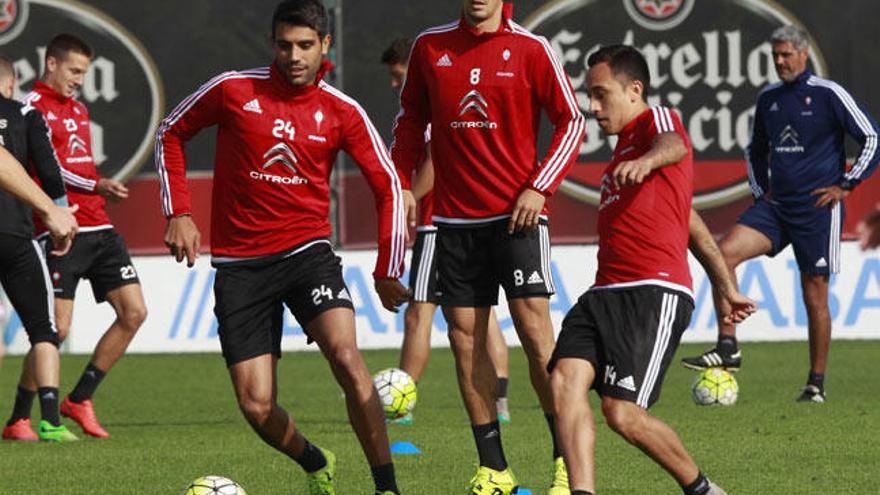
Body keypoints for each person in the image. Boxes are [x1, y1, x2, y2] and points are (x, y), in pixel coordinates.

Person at [156, 2, 408, 494]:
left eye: (306, 46)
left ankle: (386, 488)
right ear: (274, 44)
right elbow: (171, 131)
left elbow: (389, 187)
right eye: (285, 45)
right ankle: (316, 461)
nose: (295, 56)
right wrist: (178, 212)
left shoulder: (341, 110)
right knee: (256, 406)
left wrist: (387, 266)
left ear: (325, 46)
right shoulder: (233, 89)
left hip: (306, 255)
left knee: (346, 357)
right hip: (240, 267)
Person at [391, 1, 586, 493]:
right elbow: (411, 121)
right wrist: (397, 187)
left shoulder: (531, 48)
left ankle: (565, 462)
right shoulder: (429, 47)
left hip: (517, 219)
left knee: (536, 335)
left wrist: (540, 185)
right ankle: (494, 467)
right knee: (466, 340)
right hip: (454, 222)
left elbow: (571, 122)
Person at [548, 44, 757, 495]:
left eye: (601, 94)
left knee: (621, 414)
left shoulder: (655, 122)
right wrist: (727, 286)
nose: (593, 107)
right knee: (564, 378)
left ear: (634, 90)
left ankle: (702, 488)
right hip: (603, 292)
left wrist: (645, 160)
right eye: (590, 96)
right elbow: (694, 226)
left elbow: (674, 144)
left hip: (652, 292)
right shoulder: (623, 151)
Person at [681, 25, 880, 403]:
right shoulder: (769, 98)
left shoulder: (828, 94)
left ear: (803, 54)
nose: (780, 61)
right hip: (776, 207)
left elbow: (872, 136)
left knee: (814, 295)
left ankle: (815, 384)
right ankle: (728, 346)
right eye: (775, 55)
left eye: (786, 54)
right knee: (723, 255)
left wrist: (847, 184)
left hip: (818, 208)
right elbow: (755, 150)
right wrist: (760, 193)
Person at [5, 34, 148, 439]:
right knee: (57, 330)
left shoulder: (80, 110)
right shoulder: (29, 109)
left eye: (85, 73)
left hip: (99, 227)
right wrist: (96, 183)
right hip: (61, 229)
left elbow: (76, 163)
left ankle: (80, 397)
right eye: (74, 71)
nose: (79, 80)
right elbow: (42, 169)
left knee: (134, 312)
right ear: (51, 64)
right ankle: (19, 417)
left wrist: (95, 187)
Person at [381, 37, 512, 425]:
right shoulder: (453, 99)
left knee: (418, 314)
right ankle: (500, 400)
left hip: (439, 223)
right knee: (480, 316)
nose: (395, 84)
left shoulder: (433, 107)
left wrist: (408, 197)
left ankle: (401, 404)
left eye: (398, 75)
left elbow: (436, 162)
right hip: (474, 220)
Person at [0, 55, 79, 442]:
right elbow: (48, 168)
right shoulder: (25, 114)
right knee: (44, 330)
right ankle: (49, 420)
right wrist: (58, 211)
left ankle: (19, 420)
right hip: (15, 236)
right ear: (10, 83)